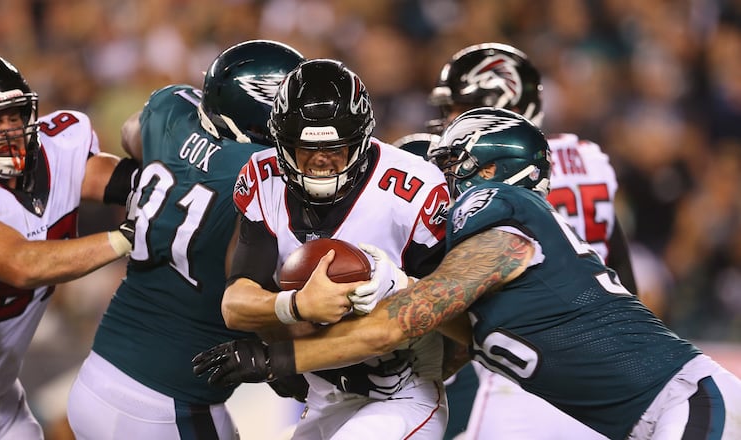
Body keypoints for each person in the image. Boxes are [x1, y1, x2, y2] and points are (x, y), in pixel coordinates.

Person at [194, 107, 741, 440]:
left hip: (685, 399)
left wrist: (276, 357)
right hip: (651, 416)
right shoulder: (487, 259)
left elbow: (396, 325)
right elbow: (445, 328)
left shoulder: (503, 215)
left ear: (487, 170)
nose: (438, 178)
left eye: (449, 164)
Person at [65, 40, 305, 440]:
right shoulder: (262, 176)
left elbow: (131, 136)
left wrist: (182, 160)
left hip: (97, 375)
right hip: (167, 406)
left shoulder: (170, 110)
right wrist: (287, 358)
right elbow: (247, 290)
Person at [218, 58, 451, 439]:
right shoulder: (264, 178)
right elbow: (236, 304)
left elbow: (459, 320)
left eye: (335, 148)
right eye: (305, 148)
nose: (321, 160)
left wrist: (402, 290)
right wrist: (296, 307)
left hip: (401, 393)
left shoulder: (415, 190)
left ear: (360, 141)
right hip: (327, 396)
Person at [426, 42, 638, 439]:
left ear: (496, 102)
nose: (446, 120)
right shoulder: (589, 157)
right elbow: (621, 271)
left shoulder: (484, 173)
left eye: (455, 107)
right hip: (601, 356)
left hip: (515, 354)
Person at [0, 51, 137, 440]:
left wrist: (165, 175)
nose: (8, 129)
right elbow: (22, 263)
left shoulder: (54, 150)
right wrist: (126, 237)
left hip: (3, 400)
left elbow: (117, 179)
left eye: (14, 114)